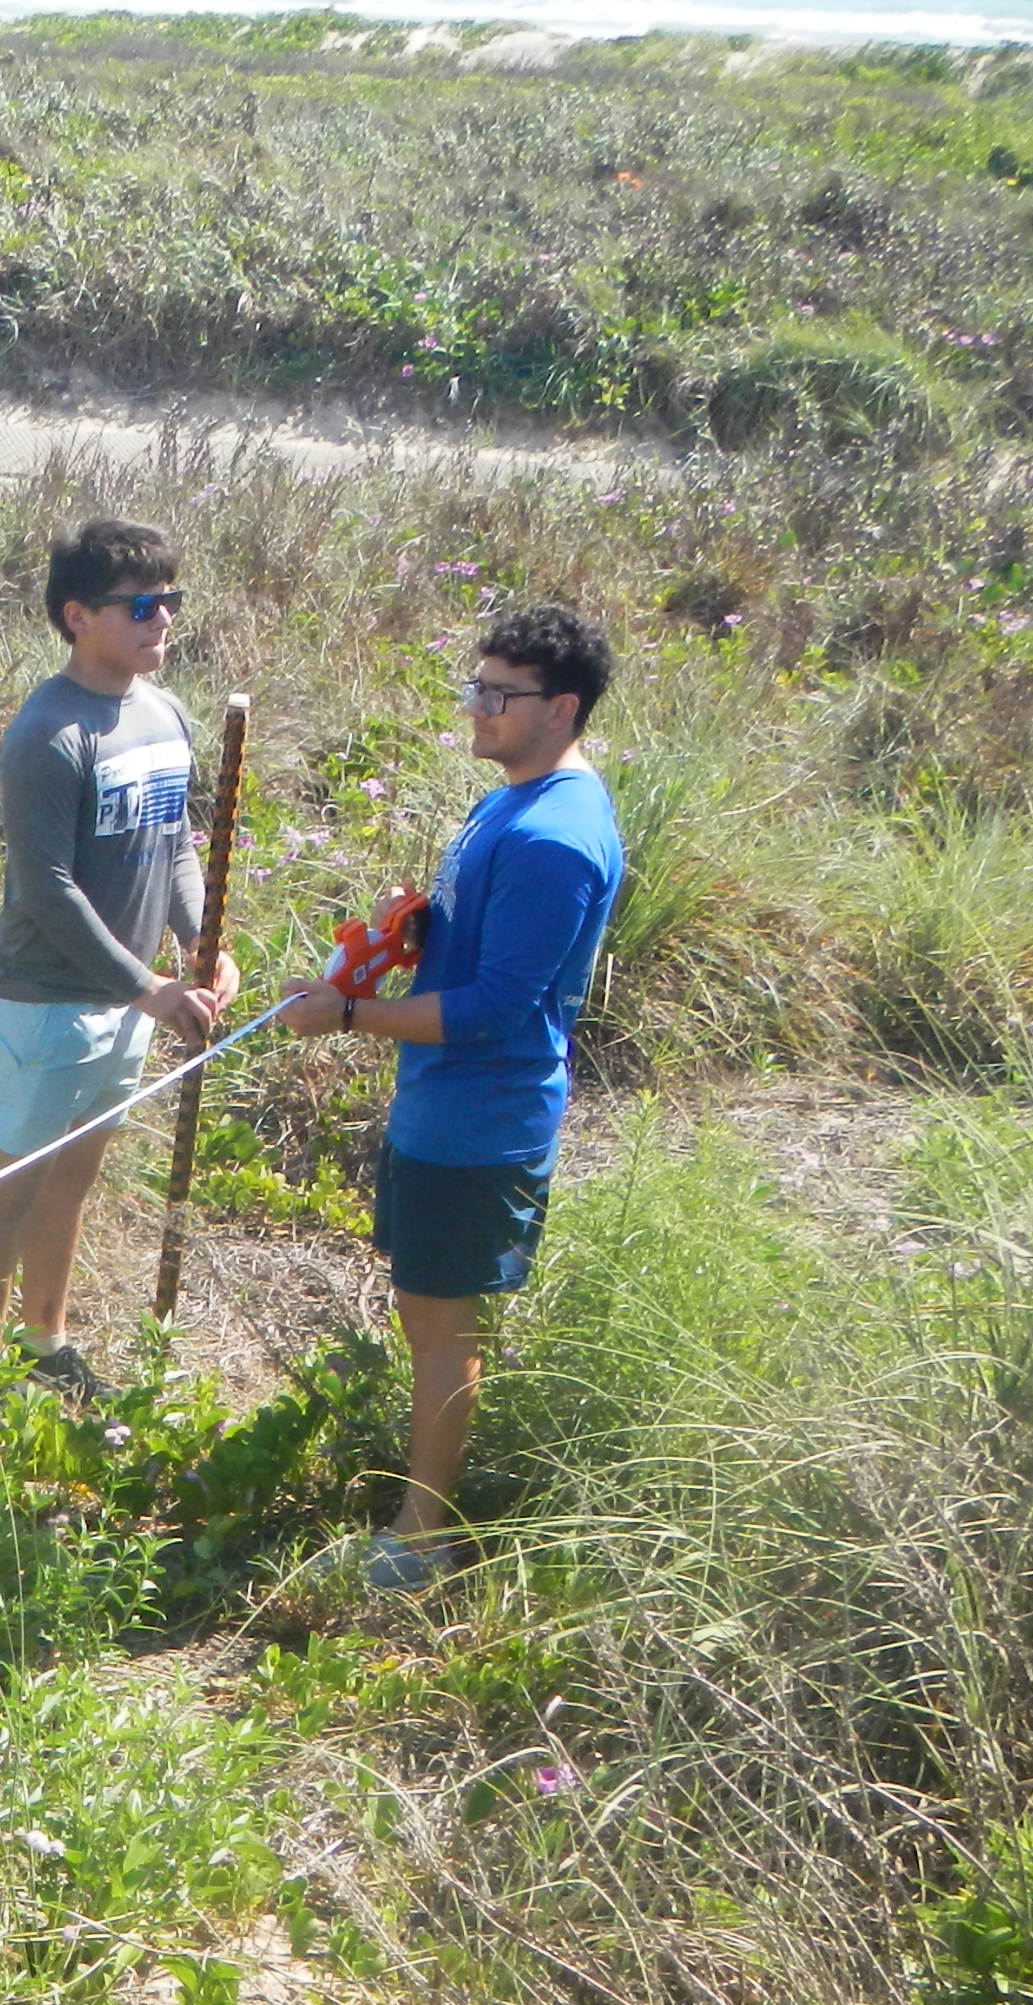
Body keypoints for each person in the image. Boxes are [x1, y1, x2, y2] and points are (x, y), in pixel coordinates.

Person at [279, 603, 627, 1592]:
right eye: (475, 687)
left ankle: (418, 1538)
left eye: (499, 695)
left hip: (482, 1122)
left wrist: (347, 1016)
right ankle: (418, 1514)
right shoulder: (512, 798)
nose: (476, 708)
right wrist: (419, 929)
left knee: (444, 1331)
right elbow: (478, 958)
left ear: (559, 710)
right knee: (429, 1319)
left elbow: (494, 1013)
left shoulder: (555, 838)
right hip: (443, 1110)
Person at [0, 516, 241, 1399]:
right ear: (77, 616)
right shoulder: (48, 733)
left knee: (74, 1174)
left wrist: (199, 939)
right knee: (9, 1186)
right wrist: (149, 986)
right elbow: (46, 888)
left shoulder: (165, 714)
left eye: (172, 601)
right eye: (142, 606)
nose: (164, 620)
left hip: (129, 999)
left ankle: (47, 1340)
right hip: (43, 1002)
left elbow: (177, 843)